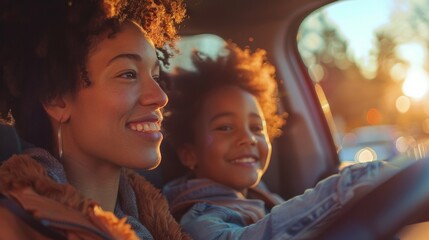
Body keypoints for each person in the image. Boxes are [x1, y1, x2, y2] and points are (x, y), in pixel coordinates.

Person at [0, 0, 190, 239]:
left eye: (155, 76)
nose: (160, 97)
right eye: (128, 74)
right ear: (57, 99)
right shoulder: (14, 226)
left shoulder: (156, 225)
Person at [161, 42, 388, 239]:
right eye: (225, 127)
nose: (247, 138)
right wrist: (344, 187)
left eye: (257, 128)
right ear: (189, 154)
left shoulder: (260, 197)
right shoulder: (201, 217)